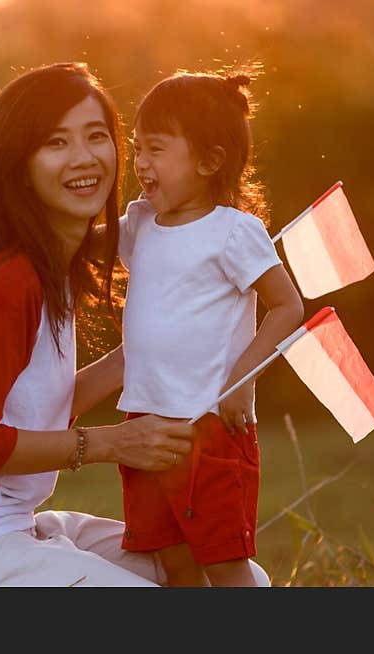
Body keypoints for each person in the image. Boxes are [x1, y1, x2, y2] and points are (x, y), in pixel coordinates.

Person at [0, 62, 269, 587]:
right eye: (56, 142)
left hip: (10, 525)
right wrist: (109, 444)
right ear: (18, 163)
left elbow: (40, 401)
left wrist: (162, 352)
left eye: (97, 136)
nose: (84, 158)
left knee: (236, 580)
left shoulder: (50, 264)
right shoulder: (9, 279)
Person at [116, 70, 305, 586]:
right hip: (145, 424)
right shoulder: (140, 225)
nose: (141, 164)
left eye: (155, 149)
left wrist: (242, 378)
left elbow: (288, 306)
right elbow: (71, 245)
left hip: (211, 427)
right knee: (172, 561)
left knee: (222, 562)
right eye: (137, 149)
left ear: (208, 161)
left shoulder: (234, 232)